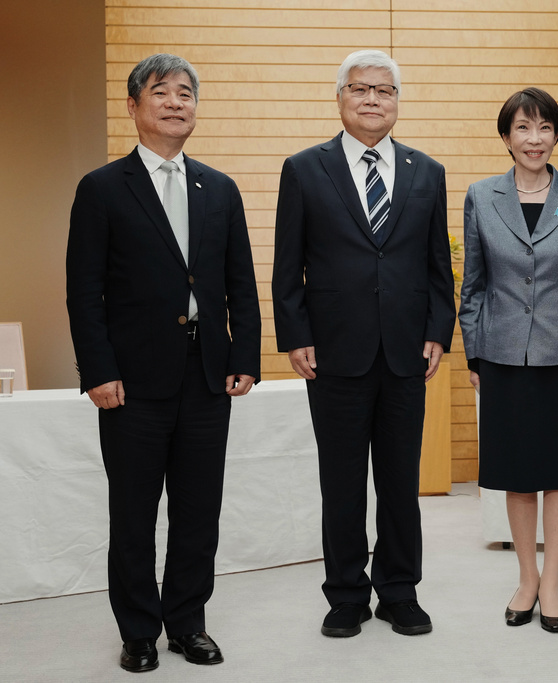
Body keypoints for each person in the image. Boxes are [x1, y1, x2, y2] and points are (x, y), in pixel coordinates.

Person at [66, 53, 261, 671]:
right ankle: (139, 631)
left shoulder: (219, 188)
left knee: (198, 511)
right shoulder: (101, 188)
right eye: (161, 92)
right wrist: (97, 370)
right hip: (131, 382)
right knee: (133, 512)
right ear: (133, 106)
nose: (177, 102)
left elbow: (240, 284)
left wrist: (245, 356)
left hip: (207, 375)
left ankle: (187, 623)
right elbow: (83, 289)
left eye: (186, 93)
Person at [271, 50, 456, 639]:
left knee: (401, 480)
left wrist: (437, 330)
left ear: (398, 102)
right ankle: (346, 594)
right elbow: (286, 266)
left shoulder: (428, 172)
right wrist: (295, 335)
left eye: (385, 90)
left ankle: (400, 590)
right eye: (361, 88)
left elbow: (435, 268)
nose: (373, 98)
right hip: (333, 353)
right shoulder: (304, 169)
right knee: (342, 480)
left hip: (406, 352)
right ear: (340, 97)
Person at [458, 88, 558, 634]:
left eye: (544, 128)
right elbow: (472, 284)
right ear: (506, 137)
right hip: (499, 354)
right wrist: (473, 351)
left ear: (556, 135)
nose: (534, 138)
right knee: (517, 474)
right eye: (523, 128)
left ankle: (553, 582)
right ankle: (525, 577)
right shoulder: (481, 195)